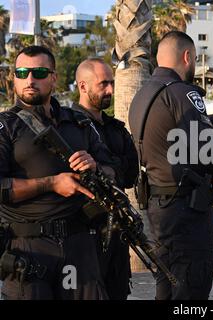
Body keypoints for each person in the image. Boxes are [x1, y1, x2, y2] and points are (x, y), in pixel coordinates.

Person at [128, 31, 213, 300]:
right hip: (185, 210)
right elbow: (206, 145)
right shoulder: (183, 92)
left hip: (159, 207)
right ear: (187, 57)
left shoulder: (143, 94)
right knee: (192, 286)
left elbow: (172, 130)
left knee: (167, 287)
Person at [0, 46, 118, 299]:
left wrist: (96, 167)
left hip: (79, 246)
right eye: (22, 72)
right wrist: (51, 183)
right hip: (28, 250)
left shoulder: (79, 122)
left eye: (39, 72)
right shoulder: (5, 127)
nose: (30, 80)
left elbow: (114, 172)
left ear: (53, 78)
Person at [72, 58, 138, 300]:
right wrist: (110, 169)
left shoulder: (115, 128)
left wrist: (103, 168)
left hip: (116, 232)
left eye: (111, 83)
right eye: (103, 84)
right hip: (82, 235)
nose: (110, 90)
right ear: (83, 86)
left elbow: (131, 173)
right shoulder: (69, 126)